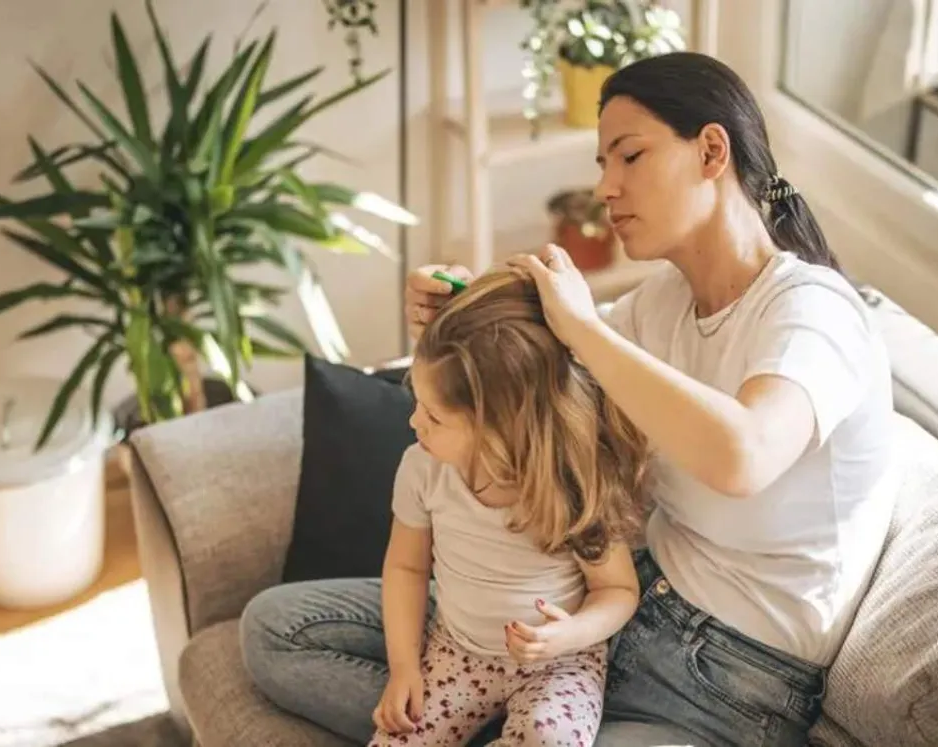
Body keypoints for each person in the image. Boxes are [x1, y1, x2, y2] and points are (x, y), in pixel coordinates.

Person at [241, 51, 896, 747]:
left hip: (719, 679)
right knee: (276, 630)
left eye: (629, 156)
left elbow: (744, 454)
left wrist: (584, 326)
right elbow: (523, 377)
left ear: (711, 150)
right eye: (601, 163)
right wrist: (456, 308)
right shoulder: (660, 304)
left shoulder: (814, 311)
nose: (605, 188)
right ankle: (471, 714)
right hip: (581, 609)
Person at [367, 269, 651, 747]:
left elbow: (618, 589)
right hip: (456, 650)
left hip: (558, 663)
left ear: (502, 428)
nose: (415, 421)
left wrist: (572, 633)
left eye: (434, 416)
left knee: (550, 738)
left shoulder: (570, 482)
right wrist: (403, 668)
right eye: (417, 403)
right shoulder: (423, 468)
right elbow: (406, 567)